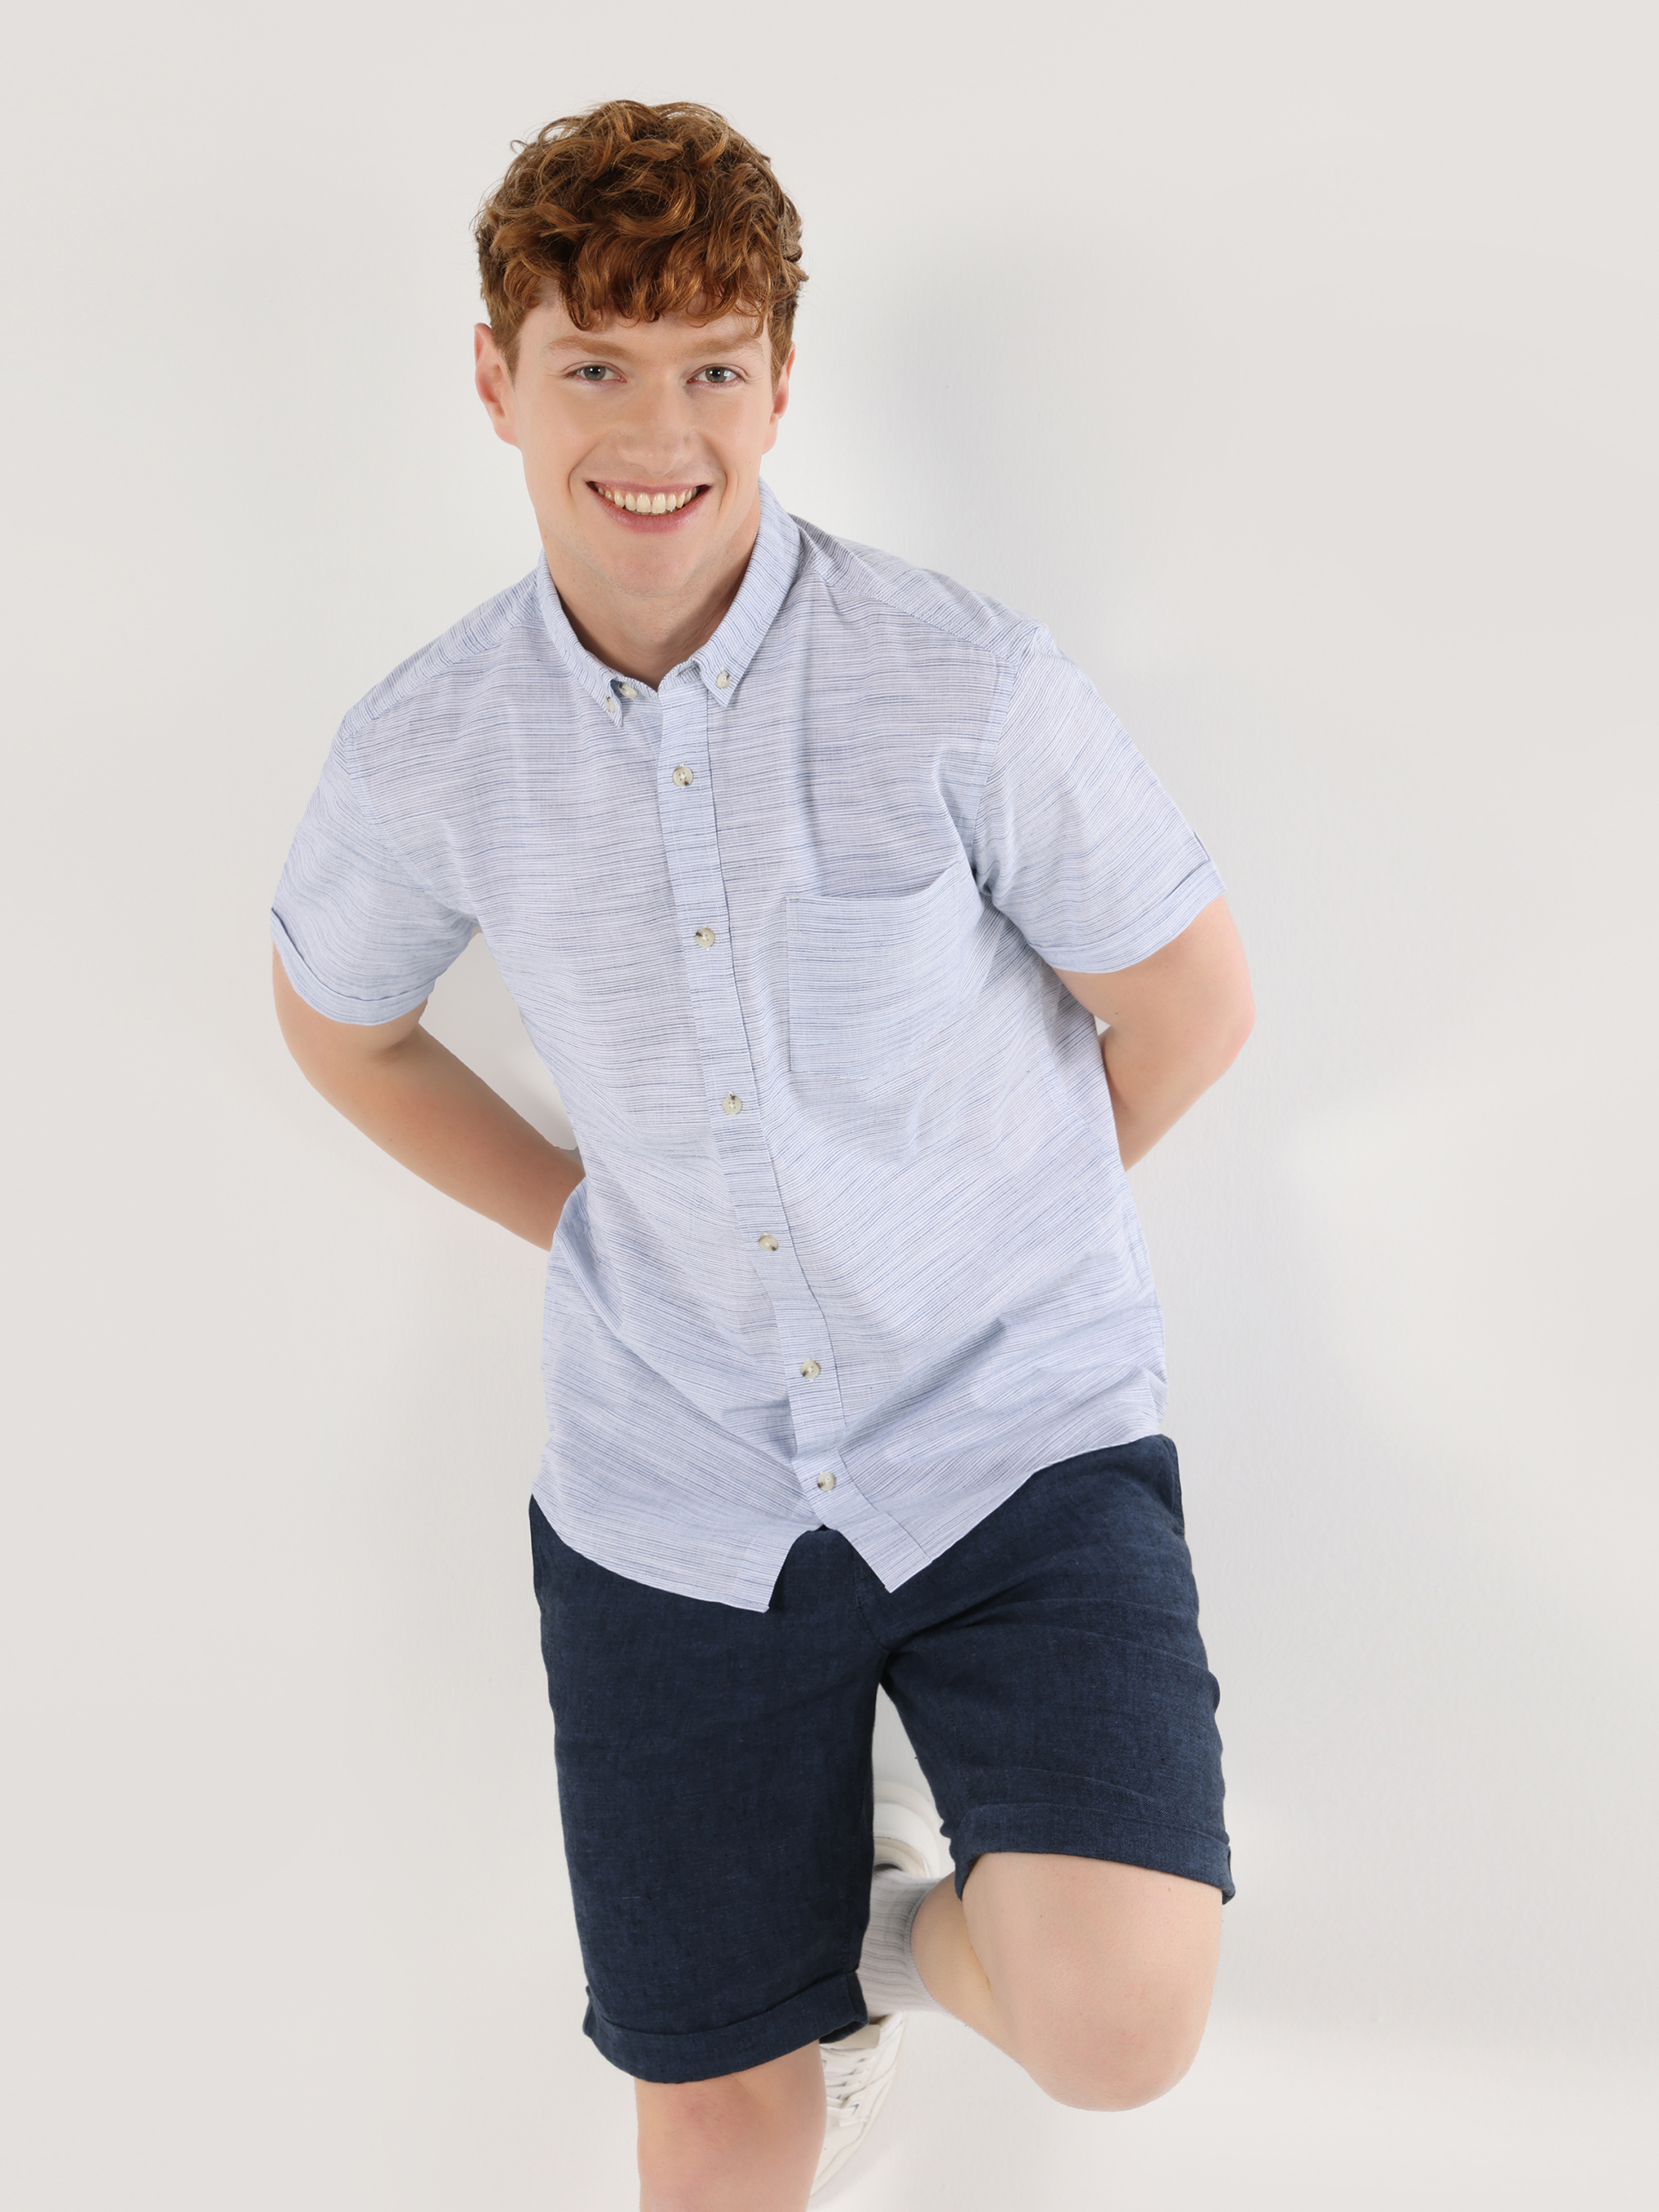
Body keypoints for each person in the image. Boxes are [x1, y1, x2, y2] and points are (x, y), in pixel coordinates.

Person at [270, 97, 1254, 2210]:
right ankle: (792, 1979)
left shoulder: (962, 684)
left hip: (1013, 1438)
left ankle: (873, 1944)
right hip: (678, 1487)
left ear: (783, 384)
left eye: (713, 366)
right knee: (719, 2136)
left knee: (1120, 2023)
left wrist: (982, 1229)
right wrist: (586, 1216)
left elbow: (1192, 1004)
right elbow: (341, 1025)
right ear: (495, 381)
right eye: (595, 366)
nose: (660, 431)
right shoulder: (429, 748)